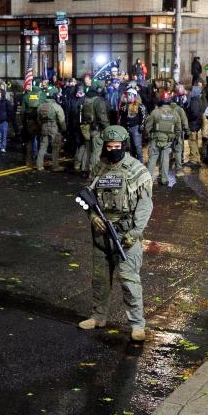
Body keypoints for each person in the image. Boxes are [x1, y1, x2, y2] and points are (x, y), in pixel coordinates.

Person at [78, 125, 154, 339]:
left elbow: (145, 205)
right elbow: (86, 199)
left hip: (125, 235)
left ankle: (137, 325)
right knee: (100, 279)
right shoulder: (99, 169)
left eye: (117, 146)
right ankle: (98, 316)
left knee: (129, 281)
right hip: (101, 236)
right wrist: (92, 217)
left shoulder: (137, 170)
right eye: (109, 146)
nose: (113, 150)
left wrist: (136, 232)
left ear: (124, 145)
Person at [144, 91, 181, 185]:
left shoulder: (155, 112)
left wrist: (146, 136)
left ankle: (147, 180)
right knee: (165, 159)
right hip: (168, 140)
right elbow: (178, 129)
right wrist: (176, 138)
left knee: (152, 158)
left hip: (155, 139)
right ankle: (164, 179)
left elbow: (147, 127)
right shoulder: (175, 113)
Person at [35, 87, 66, 171]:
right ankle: (55, 166)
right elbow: (61, 119)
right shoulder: (56, 106)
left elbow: (38, 119)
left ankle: (39, 165)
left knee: (42, 146)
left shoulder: (41, 106)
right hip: (54, 127)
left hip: (44, 127)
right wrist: (64, 129)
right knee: (55, 147)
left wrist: (42, 125)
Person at [117, 87, 146, 161]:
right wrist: (121, 126)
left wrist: (141, 125)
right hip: (127, 128)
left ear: (134, 96)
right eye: (127, 95)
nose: (128, 96)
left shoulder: (140, 106)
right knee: (130, 148)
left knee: (137, 147)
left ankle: (140, 164)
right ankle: (133, 163)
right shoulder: (124, 106)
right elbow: (121, 118)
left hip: (136, 128)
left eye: (130, 95)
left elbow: (143, 116)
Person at [21, 83, 44, 168]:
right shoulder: (41, 97)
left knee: (29, 142)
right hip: (39, 122)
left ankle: (28, 162)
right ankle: (39, 162)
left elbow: (22, 112)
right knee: (40, 142)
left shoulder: (26, 97)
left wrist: (24, 123)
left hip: (29, 122)